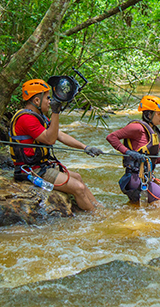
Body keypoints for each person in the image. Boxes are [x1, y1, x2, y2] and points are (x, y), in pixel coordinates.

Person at [10, 79, 102, 211]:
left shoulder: (39, 117)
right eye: (47, 98)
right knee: (78, 187)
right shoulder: (26, 118)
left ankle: (100, 209)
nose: (49, 101)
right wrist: (56, 112)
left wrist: (85, 147)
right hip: (30, 170)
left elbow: (60, 135)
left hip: (42, 166)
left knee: (77, 177)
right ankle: (97, 217)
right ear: (36, 101)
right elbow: (50, 139)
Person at [106, 95, 160, 203]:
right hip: (135, 179)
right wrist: (128, 152)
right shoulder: (137, 128)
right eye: (158, 113)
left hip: (144, 178)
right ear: (149, 114)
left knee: (138, 211)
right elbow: (111, 137)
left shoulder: (154, 132)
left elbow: (152, 159)